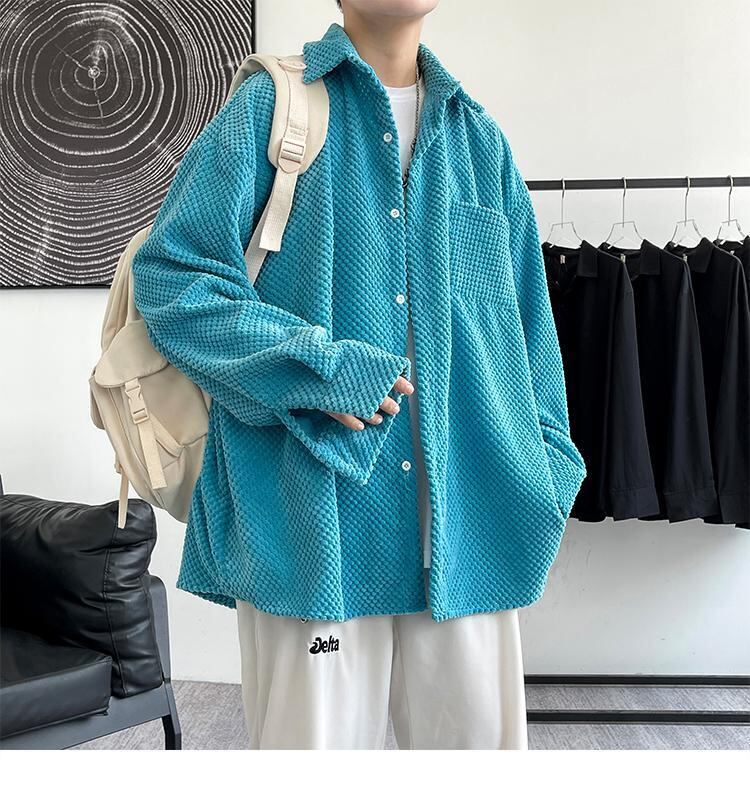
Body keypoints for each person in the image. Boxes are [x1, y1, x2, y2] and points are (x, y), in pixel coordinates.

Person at [132, 0, 586, 749]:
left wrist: (547, 470)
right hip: (312, 531)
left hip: (470, 534)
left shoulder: (480, 144)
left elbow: (529, 335)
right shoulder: (268, 112)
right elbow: (174, 281)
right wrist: (322, 370)